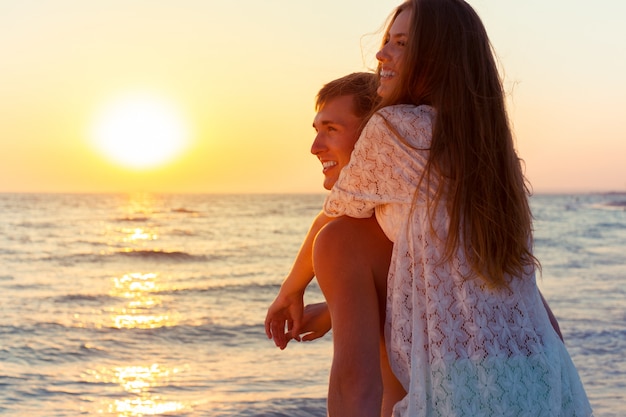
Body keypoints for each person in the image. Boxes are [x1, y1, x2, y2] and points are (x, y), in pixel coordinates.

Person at [268, 1, 592, 416]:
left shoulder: (392, 130)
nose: (382, 54)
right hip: (544, 368)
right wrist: (336, 308)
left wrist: (290, 290)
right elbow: (472, 283)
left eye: (401, 43)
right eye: (387, 40)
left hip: (467, 385)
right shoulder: (488, 149)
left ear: (437, 57)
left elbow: (330, 219)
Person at [266, 72, 406, 417]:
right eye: (316, 130)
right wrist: (337, 307)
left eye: (332, 129)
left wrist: (292, 292)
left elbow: (355, 386)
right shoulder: (430, 225)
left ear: (376, 138)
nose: (315, 147)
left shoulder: (346, 240)